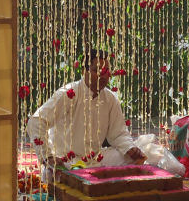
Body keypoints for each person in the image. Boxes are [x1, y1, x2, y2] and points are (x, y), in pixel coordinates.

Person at [27, 49, 146, 182]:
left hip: (95, 160)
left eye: (106, 71)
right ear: (85, 71)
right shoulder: (69, 93)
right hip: (66, 162)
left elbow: (118, 134)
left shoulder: (110, 99)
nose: (103, 76)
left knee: (138, 157)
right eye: (97, 71)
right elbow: (36, 121)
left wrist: (130, 148)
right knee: (52, 175)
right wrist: (48, 156)